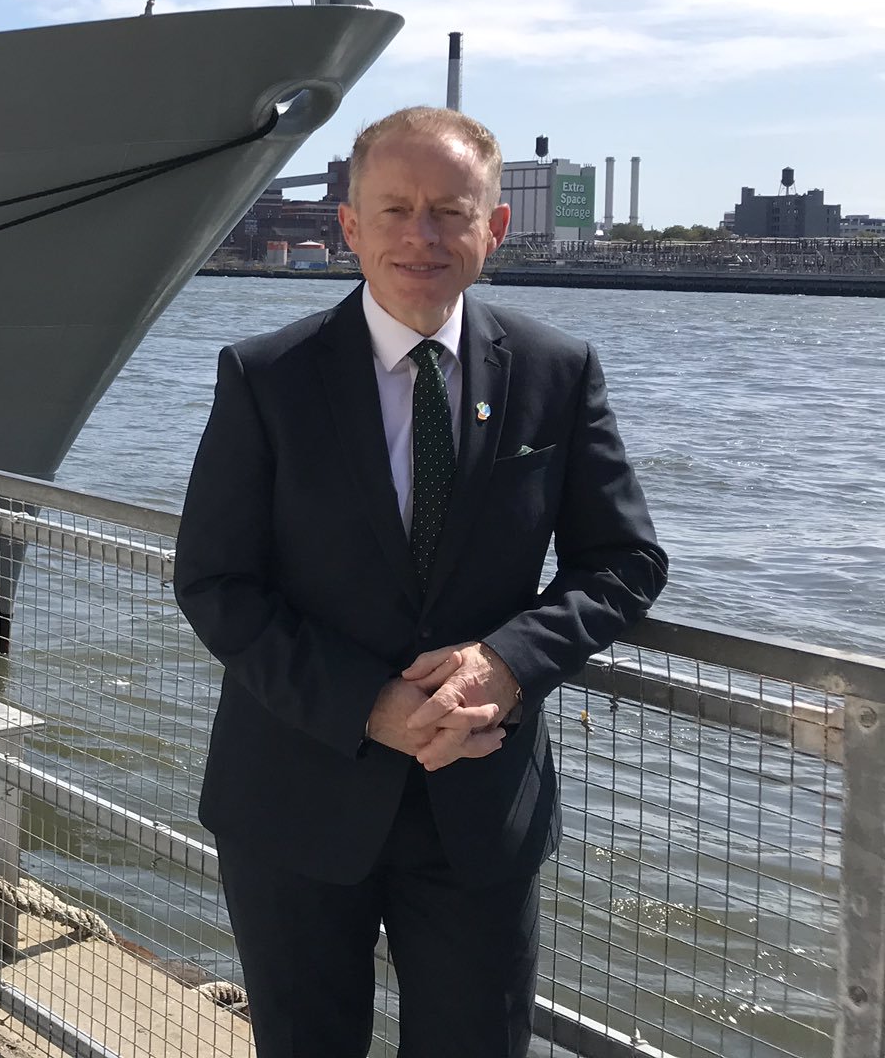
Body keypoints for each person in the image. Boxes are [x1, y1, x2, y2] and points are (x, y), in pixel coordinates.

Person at [173, 107, 666, 1057]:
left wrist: (510, 663)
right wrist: (369, 705)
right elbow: (215, 581)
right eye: (395, 209)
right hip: (297, 799)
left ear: (495, 228)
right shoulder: (266, 376)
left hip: (479, 805)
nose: (422, 236)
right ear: (350, 227)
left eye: (449, 210)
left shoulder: (557, 372)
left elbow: (626, 561)